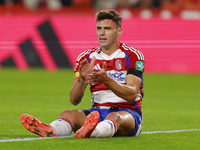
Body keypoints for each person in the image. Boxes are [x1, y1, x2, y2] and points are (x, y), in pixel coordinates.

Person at [20, 9, 145, 138]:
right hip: (98, 113)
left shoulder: (132, 55)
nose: (102, 33)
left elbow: (131, 94)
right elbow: (74, 100)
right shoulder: (86, 57)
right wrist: (81, 78)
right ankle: (51, 129)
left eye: (107, 28)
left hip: (128, 114)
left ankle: (93, 131)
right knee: (68, 114)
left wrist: (106, 80)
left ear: (119, 31)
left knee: (115, 116)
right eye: (99, 28)